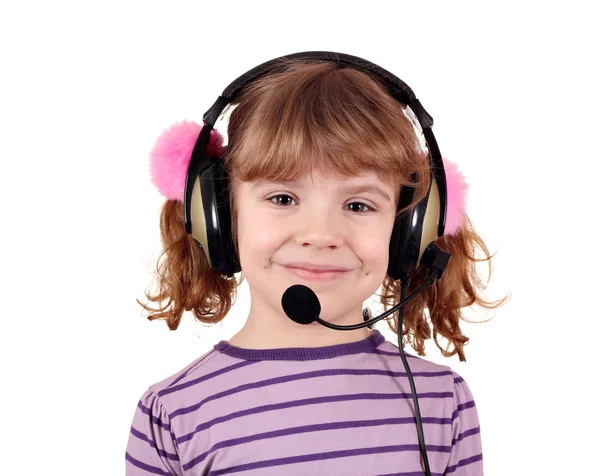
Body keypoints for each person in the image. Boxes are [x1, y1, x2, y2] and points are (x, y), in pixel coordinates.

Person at [125, 52, 508, 475]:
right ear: (220, 217)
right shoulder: (173, 415)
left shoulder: (442, 404)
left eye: (359, 204)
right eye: (283, 198)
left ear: (407, 233)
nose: (322, 234)